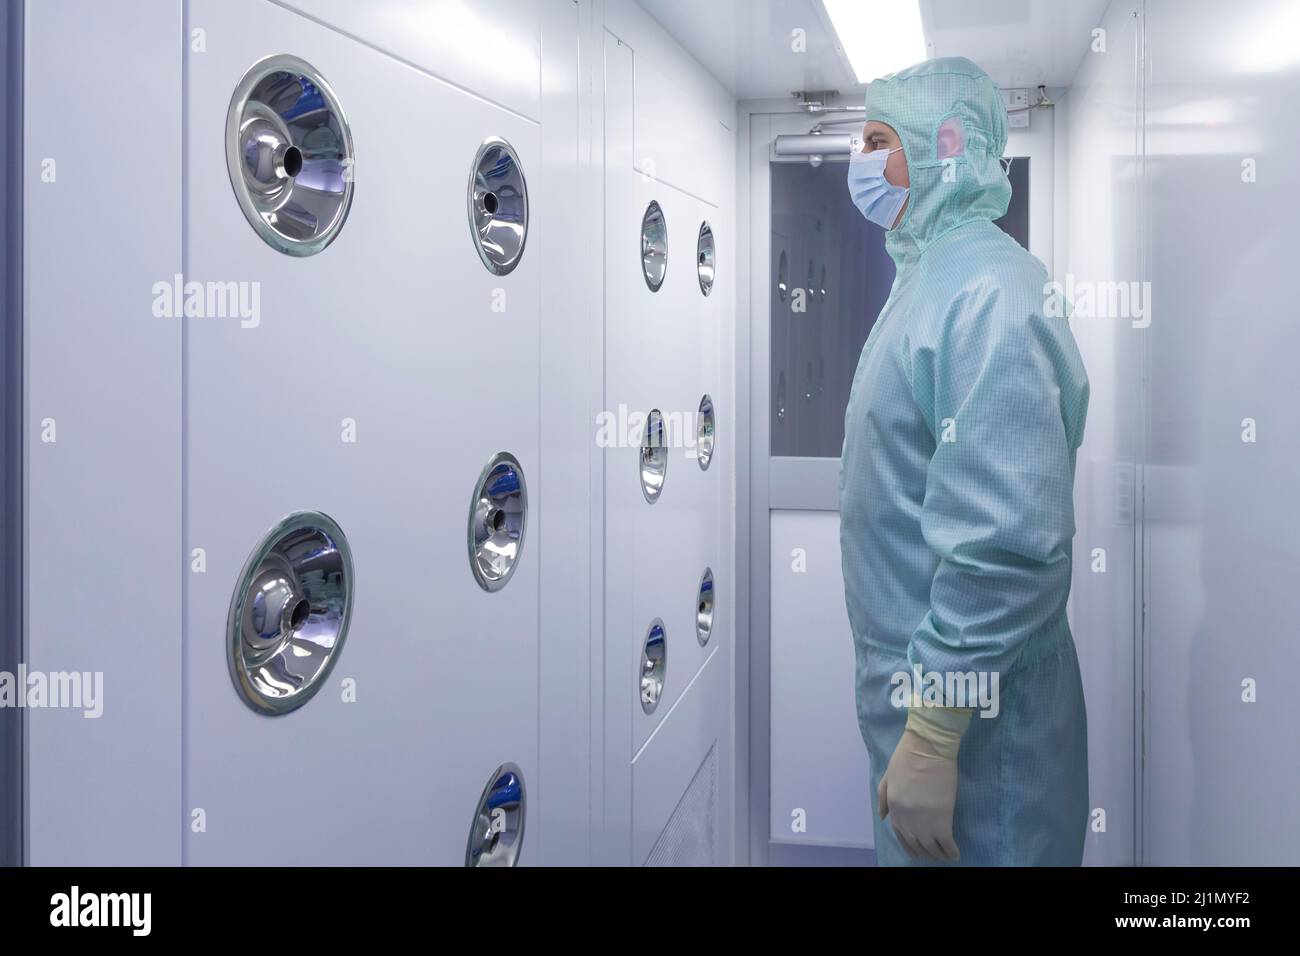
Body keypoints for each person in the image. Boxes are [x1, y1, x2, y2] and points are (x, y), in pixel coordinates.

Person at [839, 57, 1090, 865]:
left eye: (879, 142)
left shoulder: (987, 292)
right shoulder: (929, 280)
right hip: (930, 710)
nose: (862, 163)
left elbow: (1008, 542)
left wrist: (937, 726)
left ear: (945, 144)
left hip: (982, 734)